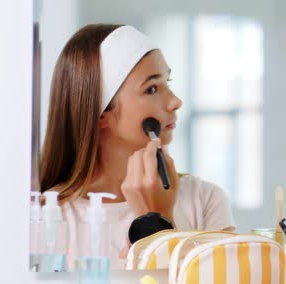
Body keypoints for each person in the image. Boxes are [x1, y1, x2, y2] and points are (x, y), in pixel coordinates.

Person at [40, 24, 235, 269]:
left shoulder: (204, 201)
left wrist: (158, 220)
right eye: (152, 89)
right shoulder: (47, 218)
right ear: (100, 115)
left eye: (168, 82)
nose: (175, 101)